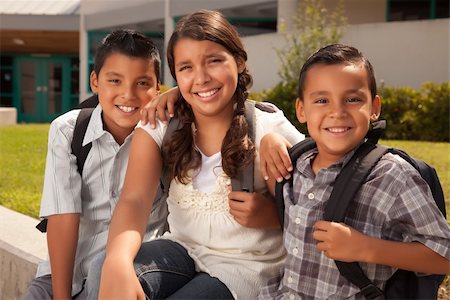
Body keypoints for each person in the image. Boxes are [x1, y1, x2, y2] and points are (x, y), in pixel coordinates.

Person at [97, 9, 304, 300]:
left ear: (240, 61)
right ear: (176, 77)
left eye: (214, 61)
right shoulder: (160, 124)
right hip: (182, 250)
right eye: (186, 68)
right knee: (109, 272)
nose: (201, 78)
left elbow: (322, 190)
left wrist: (274, 215)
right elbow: (134, 199)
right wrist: (116, 261)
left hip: (247, 266)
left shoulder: (268, 125)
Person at [259, 44, 450, 299]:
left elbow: (444, 256)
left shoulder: (392, 176)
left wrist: (366, 248)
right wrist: (269, 140)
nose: (337, 111)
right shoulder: (298, 162)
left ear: (374, 107)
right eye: (322, 100)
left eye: (352, 99)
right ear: (301, 110)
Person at [23, 29, 169, 300]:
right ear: (95, 81)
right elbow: (63, 217)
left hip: (131, 267)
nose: (128, 94)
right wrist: (62, 296)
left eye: (142, 83)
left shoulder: (166, 135)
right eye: (115, 80)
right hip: (67, 272)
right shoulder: (69, 131)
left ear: (157, 87)